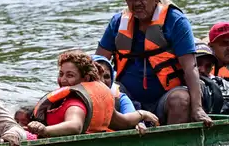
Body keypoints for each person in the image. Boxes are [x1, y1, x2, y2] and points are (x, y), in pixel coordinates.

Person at [96, 0, 212, 126]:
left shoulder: (176, 21)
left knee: (181, 99)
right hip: (128, 98)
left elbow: (190, 68)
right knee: (109, 97)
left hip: (166, 97)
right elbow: (97, 65)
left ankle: (173, 144)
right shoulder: (118, 22)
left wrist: (197, 108)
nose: (137, 3)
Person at [26, 50, 159, 138]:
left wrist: (45, 131)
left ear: (86, 79)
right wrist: (142, 114)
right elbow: (123, 122)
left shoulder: (75, 103)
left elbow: (75, 126)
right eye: (61, 74)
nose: (63, 80)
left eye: (70, 75)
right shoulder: (92, 100)